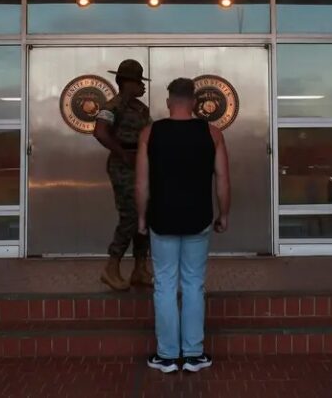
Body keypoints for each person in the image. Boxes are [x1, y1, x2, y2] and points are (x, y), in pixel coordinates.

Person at [135, 77, 230, 374]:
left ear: (168, 102)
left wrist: (141, 217)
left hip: (161, 219)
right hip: (197, 219)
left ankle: (166, 356)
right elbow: (223, 181)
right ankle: (192, 354)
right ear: (194, 102)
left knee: (164, 284)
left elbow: (141, 182)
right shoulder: (212, 133)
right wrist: (223, 214)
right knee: (193, 285)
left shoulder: (150, 133)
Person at [93, 59, 153, 291]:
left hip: (142, 164)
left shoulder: (140, 109)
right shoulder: (112, 107)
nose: (142, 86)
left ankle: (140, 268)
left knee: (145, 215)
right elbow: (100, 133)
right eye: (139, 81)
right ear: (126, 83)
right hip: (123, 166)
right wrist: (121, 153)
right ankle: (112, 267)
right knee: (130, 215)